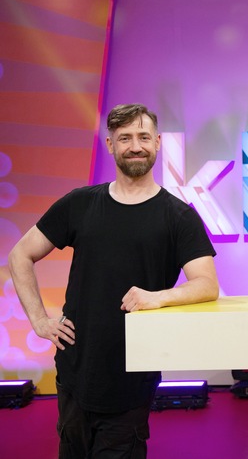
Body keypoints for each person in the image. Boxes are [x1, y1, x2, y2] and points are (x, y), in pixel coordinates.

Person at [8, 103, 219, 458]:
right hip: (74, 371)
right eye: (125, 138)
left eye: (143, 137)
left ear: (158, 142)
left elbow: (206, 284)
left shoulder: (179, 216)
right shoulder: (80, 203)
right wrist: (40, 321)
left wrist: (158, 297)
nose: (135, 146)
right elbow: (20, 255)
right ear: (110, 144)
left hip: (131, 380)